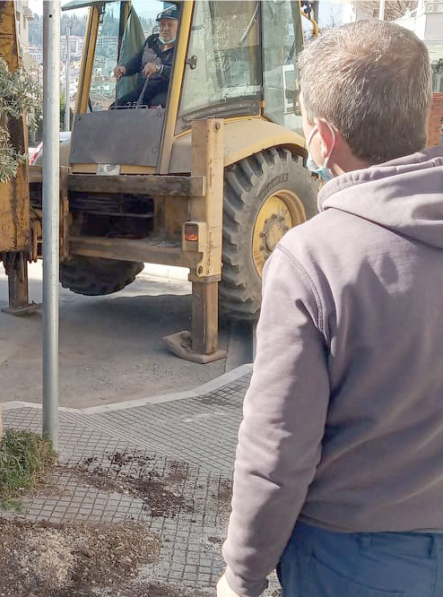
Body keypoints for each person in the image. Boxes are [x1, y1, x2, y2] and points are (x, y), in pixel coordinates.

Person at [218, 20, 443, 597]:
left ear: (321, 140)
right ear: (430, 113)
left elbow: (278, 451)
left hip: (351, 558)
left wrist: (241, 575)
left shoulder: (311, 259)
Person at [112, 5, 179, 108]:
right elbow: (138, 60)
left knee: (155, 111)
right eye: (162, 25)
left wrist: (159, 68)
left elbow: (180, 72)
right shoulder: (151, 41)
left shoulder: (183, 47)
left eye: (170, 25)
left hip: (166, 91)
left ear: (179, 27)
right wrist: (124, 69)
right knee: (118, 106)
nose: (165, 29)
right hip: (143, 89)